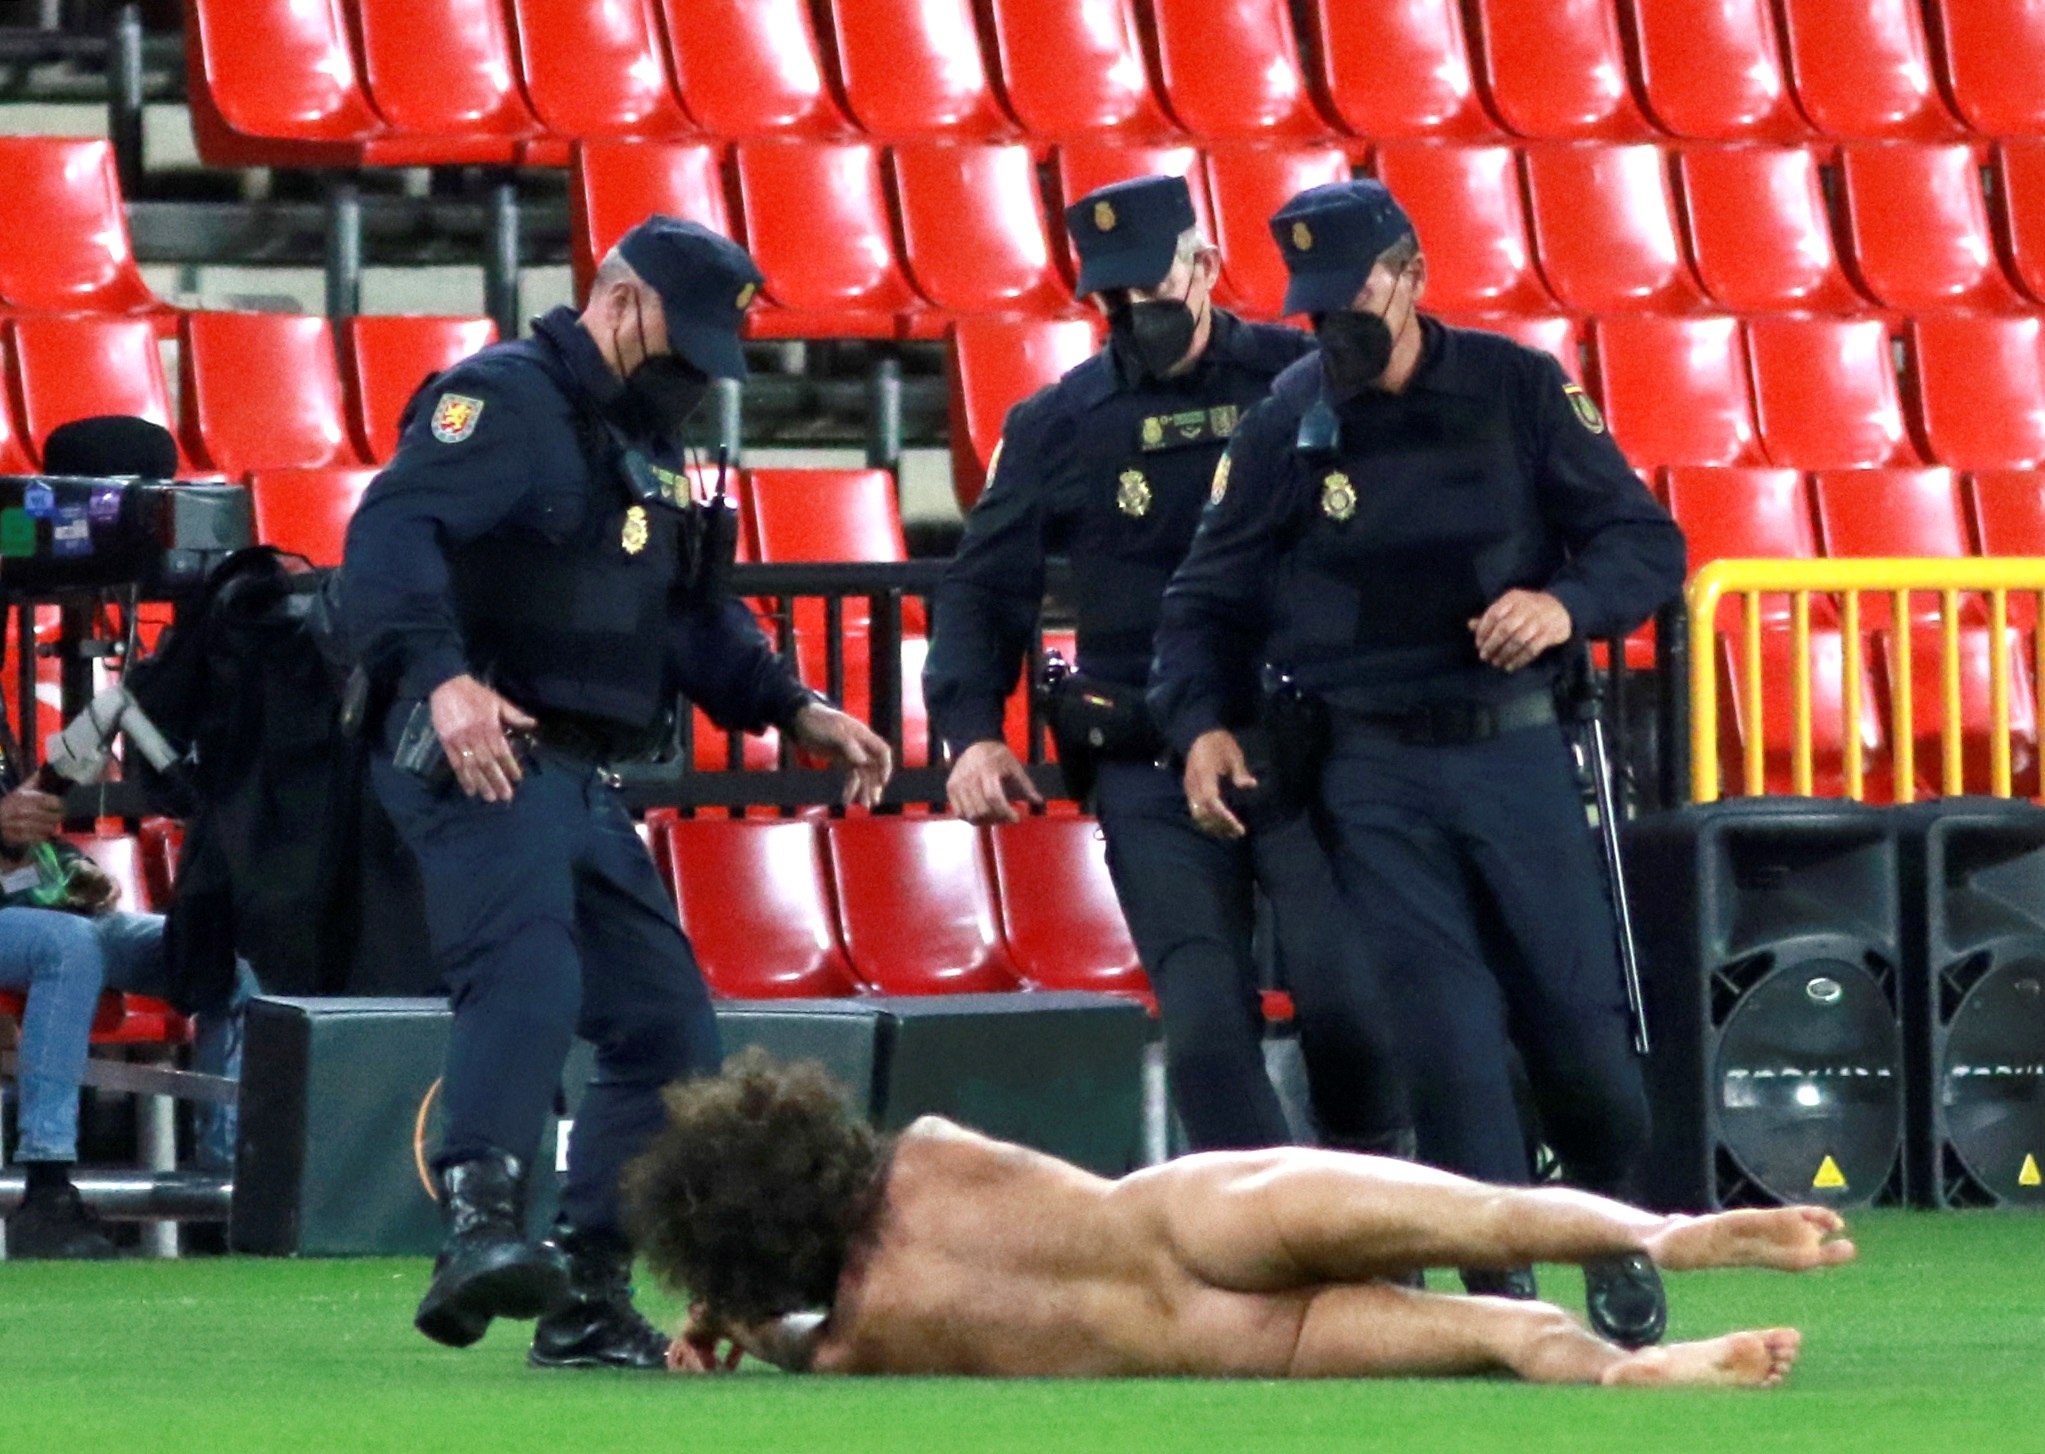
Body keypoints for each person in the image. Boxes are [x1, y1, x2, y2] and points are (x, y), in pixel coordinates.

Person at [339, 215, 893, 1368]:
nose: (696, 375)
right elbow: (388, 533)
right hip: (478, 749)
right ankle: (480, 1226)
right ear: (621, 302)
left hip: (582, 771)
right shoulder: (501, 401)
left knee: (665, 1025)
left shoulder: (649, 448)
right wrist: (443, 679)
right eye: (683, 344)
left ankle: (587, 1291)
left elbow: (691, 618)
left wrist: (790, 705)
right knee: (528, 970)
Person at [1147, 180, 1688, 1344]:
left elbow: (1644, 541)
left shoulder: (1517, 390)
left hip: (1514, 753)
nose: (1327, 329)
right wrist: (1199, 724)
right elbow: (1204, 601)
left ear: (1408, 278)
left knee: (1575, 1032)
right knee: (1443, 1034)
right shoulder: (1287, 422)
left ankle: (1605, 1223)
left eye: (1349, 301)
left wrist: (1562, 605)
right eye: (1311, 310)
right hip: (1367, 772)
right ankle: (1499, 1292)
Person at [924, 174, 1407, 1158]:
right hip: (1145, 752)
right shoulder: (1059, 421)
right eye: (1114, 298)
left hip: (1297, 745)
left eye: (1151, 290)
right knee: (1201, 1020)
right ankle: (1276, 1234)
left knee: (1349, 1000)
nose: (1133, 314)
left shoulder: (1299, 378)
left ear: (1204, 266)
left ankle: (1372, 1202)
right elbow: (983, 589)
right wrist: (971, 730)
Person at [630, 1053, 1852, 1385]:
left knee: (1498, 1332)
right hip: (1191, 1218)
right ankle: (1659, 1231)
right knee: (1485, 1212)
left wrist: (731, 1315)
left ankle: (1626, 1368)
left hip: (1211, 1340)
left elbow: (794, 1333)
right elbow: (907, 1146)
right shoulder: (930, 1152)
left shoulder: (854, 1343)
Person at [0, 776, 256, 1259]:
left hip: (40, 907)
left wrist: (76, 870)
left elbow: (25, 849)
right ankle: (45, 1186)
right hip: (42, 929)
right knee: (70, 946)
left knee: (220, 957)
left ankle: (228, 1185)